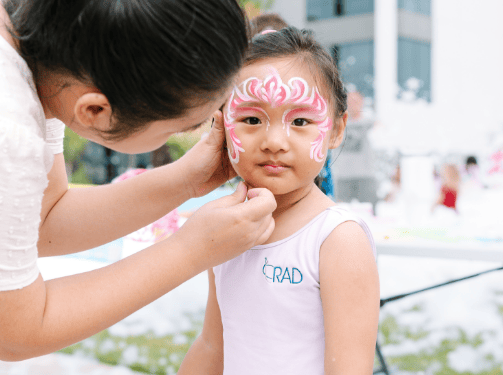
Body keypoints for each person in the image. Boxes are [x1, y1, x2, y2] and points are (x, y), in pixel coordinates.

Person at [0, 0, 277, 361]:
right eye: (182, 127)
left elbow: (42, 220)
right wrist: (191, 249)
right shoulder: (11, 128)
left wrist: (186, 181)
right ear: (95, 111)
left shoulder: (50, 60)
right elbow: (15, 332)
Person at [178, 26, 380, 375]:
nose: (274, 141)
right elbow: (214, 344)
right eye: (251, 119)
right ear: (222, 124)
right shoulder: (226, 227)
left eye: (300, 120)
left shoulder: (337, 240)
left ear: (335, 129)